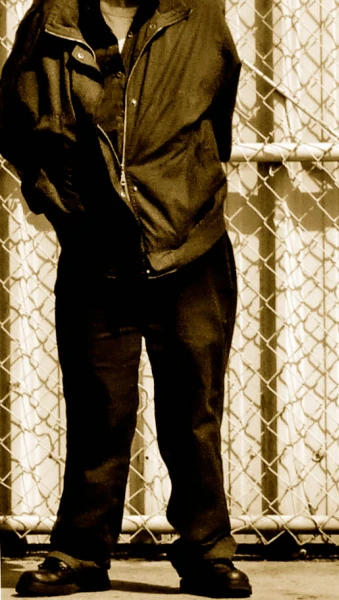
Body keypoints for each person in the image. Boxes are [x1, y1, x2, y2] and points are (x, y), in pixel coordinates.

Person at [0, 0, 250, 595]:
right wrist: (54, 202)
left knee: (193, 411)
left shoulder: (199, 15)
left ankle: (206, 552)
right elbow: (12, 119)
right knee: (98, 409)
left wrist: (183, 188)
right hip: (95, 250)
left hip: (190, 245)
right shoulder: (52, 19)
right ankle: (81, 554)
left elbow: (220, 114)